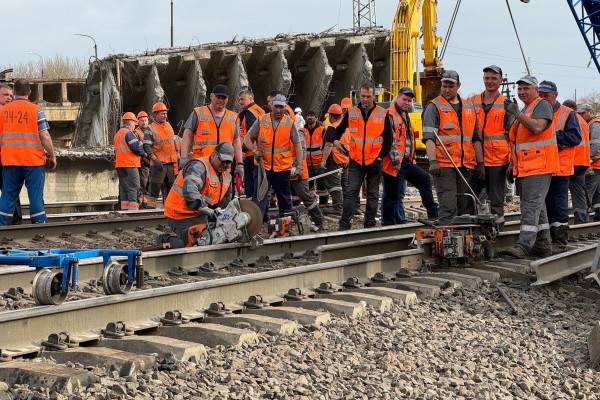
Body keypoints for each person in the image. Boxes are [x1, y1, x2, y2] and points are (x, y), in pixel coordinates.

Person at [503, 76, 558, 258]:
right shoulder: (527, 109)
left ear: (535, 89)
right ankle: (542, 245)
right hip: (527, 168)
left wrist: (516, 113)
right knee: (537, 207)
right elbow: (519, 143)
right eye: (520, 89)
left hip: (539, 166)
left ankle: (524, 245)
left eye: (526, 88)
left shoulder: (541, 105)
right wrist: (513, 164)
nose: (521, 92)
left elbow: (537, 128)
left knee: (530, 207)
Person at [422, 70, 484, 226]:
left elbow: (475, 138)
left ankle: (464, 244)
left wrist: (480, 163)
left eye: (450, 86)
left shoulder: (469, 107)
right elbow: (429, 137)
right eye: (444, 86)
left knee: (466, 207)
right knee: (448, 206)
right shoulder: (434, 107)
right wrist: (433, 161)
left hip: (466, 165)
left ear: (458, 86)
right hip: (444, 165)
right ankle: (446, 244)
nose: (447, 90)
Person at [333, 82, 393, 230]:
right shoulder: (352, 113)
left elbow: (388, 139)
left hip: (374, 161)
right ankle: (344, 224)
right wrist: (335, 141)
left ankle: (369, 224)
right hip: (356, 160)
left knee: (372, 195)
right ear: (359, 95)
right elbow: (339, 129)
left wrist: (380, 157)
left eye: (368, 96)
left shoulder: (382, 113)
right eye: (363, 96)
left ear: (374, 96)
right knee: (351, 192)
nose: (365, 99)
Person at [0, 80, 56, 225]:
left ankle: (2, 225)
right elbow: (44, 135)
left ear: (14, 92)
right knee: (35, 196)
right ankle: (39, 226)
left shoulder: (3, 112)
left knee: (8, 197)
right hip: (33, 161)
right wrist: (52, 155)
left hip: (10, 161)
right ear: (29, 92)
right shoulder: (36, 110)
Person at [382, 87, 438, 225]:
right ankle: (388, 224)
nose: (407, 102)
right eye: (404, 99)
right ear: (398, 97)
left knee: (424, 179)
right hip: (395, 163)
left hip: (407, 162)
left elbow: (408, 140)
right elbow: (390, 140)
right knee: (392, 195)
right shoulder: (390, 114)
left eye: (409, 100)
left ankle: (433, 213)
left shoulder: (405, 115)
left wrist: (411, 159)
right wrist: (396, 161)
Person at [468, 65, 514, 229]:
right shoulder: (472, 101)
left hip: (498, 160)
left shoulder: (507, 104)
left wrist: (512, 161)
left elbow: (513, 135)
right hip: (474, 158)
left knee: (496, 199)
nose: (490, 81)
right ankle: (472, 230)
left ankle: (497, 230)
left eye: (494, 78)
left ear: (501, 81)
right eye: (487, 78)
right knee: (470, 197)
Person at [538, 81, 581, 251]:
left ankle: (560, 241)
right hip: (542, 167)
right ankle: (547, 239)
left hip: (560, 168)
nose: (542, 98)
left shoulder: (567, 114)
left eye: (546, 95)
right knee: (546, 205)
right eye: (540, 95)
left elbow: (575, 137)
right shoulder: (536, 110)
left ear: (555, 95)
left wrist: (555, 138)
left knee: (559, 204)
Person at [243, 94, 302, 217]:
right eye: (276, 107)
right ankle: (257, 222)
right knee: (259, 196)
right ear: (272, 106)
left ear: (285, 107)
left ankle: (285, 222)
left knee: (284, 198)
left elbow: (297, 144)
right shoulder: (262, 120)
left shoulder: (289, 123)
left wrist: (299, 166)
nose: (279, 110)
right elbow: (247, 138)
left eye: (281, 107)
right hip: (263, 168)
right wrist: (254, 150)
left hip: (282, 168)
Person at [164, 142, 232, 246]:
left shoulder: (226, 175)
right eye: (223, 160)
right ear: (214, 155)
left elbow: (225, 200)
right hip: (179, 213)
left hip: (198, 213)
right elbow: (190, 190)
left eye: (228, 162)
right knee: (196, 243)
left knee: (217, 237)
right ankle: (166, 240)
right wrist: (202, 207)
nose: (225, 165)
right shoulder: (198, 166)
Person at [181, 85, 244, 186]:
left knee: (222, 197)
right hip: (202, 166)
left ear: (227, 99)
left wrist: (240, 164)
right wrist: (183, 157)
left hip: (224, 167)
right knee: (201, 196)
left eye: (223, 98)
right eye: (218, 97)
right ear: (211, 96)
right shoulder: (198, 113)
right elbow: (187, 135)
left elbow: (236, 141)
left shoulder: (233, 117)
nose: (221, 100)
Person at [142, 102, 179, 208]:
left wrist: (178, 157)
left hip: (171, 164)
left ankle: (168, 209)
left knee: (170, 189)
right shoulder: (150, 128)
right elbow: (146, 146)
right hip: (159, 164)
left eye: (165, 113)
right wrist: (154, 159)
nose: (165, 116)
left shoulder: (168, 125)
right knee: (154, 188)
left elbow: (173, 143)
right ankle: (150, 210)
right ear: (155, 114)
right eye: (162, 113)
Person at [290, 129, 324, 229]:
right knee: (286, 198)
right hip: (285, 171)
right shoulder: (279, 131)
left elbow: (303, 152)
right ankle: (288, 222)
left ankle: (318, 221)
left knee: (305, 197)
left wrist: (295, 166)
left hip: (298, 173)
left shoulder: (297, 133)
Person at [114, 112, 147, 210]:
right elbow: (136, 148)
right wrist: (145, 154)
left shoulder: (118, 134)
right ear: (130, 123)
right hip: (130, 165)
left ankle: (124, 209)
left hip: (120, 165)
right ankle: (133, 210)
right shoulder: (128, 133)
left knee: (124, 188)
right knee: (134, 187)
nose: (134, 126)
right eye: (134, 123)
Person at [566, 100, 591, 224]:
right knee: (579, 191)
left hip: (572, 161)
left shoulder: (570, 119)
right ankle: (582, 218)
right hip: (583, 162)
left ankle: (562, 220)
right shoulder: (582, 121)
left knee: (561, 190)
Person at [0, 84, 22, 224]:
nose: (9, 97)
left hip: (7, 158)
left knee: (10, 190)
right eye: (5, 95)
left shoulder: (12, 113)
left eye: (10, 95)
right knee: (10, 190)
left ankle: (15, 222)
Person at [238, 88, 265, 198]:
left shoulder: (249, 113)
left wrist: (243, 150)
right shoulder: (259, 110)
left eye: (242, 99)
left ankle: (253, 210)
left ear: (250, 98)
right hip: (257, 153)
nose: (240, 102)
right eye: (239, 100)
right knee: (259, 185)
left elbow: (250, 135)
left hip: (251, 154)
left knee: (251, 185)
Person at [320, 104, 347, 213]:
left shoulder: (332, 128)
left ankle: (338, 207)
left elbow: (328, 145)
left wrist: (323, 160)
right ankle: (348, 207)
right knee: (345, 184)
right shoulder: (347, 127)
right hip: (346, 159)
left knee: (334, 184)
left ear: (331, 116)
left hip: (335, 159)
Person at [303, 110, 328, 204]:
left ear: (316, 118)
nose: (310, 117)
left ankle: (323, 204)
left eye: (312, 115)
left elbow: (327, 145)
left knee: (321, 184)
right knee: (309, 185)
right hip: (307, 163)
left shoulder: (322, 130)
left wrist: (324, 160)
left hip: (319, 162)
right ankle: (311, 204)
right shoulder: (302, 130)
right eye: (308, 115)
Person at [582, 104, 600, 220]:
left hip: (594, 165)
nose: (581, 115)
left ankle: (583, 217)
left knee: (587, 191)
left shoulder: (594, 125)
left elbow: (595, 144)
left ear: (590, 112)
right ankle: (598, 215)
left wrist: (589, 159)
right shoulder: (592, 124)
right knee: (597, 193)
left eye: (583, 113)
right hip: (597, 164)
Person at [135, 110, 151, 207]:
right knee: (143, 184)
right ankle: (143, 204)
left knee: (150, 184)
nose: (144, 122)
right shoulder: (136, 133)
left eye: (145, 120)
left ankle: (148, 203)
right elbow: (138, 148)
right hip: (143, 163)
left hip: (151, 162)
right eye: (142, 121)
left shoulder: (150, 130)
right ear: (138, 122)